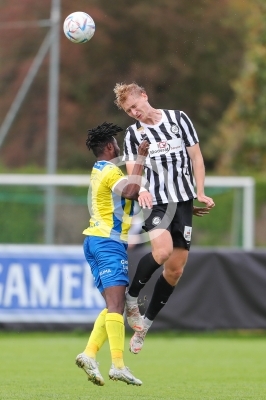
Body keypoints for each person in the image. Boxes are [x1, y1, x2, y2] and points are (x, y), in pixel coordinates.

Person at [113, 82, 215, 354]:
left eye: (135, 105)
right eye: (128, 110)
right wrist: (143, 190)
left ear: (145, 96)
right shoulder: (134, 134)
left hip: (182, 202)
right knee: (163, 251)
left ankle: (144, 326)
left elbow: (196, 158)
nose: (133, 111)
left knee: (176, 269)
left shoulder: (178, 119)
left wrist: (200, 192)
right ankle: (131, 298)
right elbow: (135, 172)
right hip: (155, 202)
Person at [75, 122, 151, 386]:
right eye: (117, 144)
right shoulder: (108, 171)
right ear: (109, 146)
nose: (119, 147)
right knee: (117, 306)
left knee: (112, 306)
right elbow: (130, 191)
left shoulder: (99, 169)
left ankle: (89, 353)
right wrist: (141, 157)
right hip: (107, 242)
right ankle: (118, 365)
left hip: (95, 241)